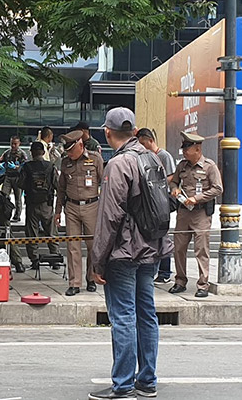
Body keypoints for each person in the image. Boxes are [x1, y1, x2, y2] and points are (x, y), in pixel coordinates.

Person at [89, 107, 160, 400]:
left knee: (123, 317)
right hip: (151, 249)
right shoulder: (151, 157)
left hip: (124, 252)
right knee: (147, 314)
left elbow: (110, 217)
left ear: (107, 132)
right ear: (134, 131)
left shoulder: (118, 164)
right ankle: (147, 381)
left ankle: (123, 385)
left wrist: (98, 261)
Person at [168, 132, 222, 298]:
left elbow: (218, 188)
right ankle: (180, 281)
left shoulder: (209, 166)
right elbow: (174, 181)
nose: (184, 151)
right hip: (183, 213)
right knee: (178, 249)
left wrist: (197, 198)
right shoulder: (182, 166)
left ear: (197, 149)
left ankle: (203, 284)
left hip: (201, 214)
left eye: (187, 148)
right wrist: (174, 190)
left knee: (201, 250)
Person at [56, 130, 103, 296]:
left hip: (92, 206)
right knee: (72, 246)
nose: (68, 153)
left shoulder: (95, 159)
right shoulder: (65, 163)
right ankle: (74, 283)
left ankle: (91, 278)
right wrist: (58, 211)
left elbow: (105, 185)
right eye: (67, 150)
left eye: (71, 150)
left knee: (92, 245)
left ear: (81, 145)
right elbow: (61, 189)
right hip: (72, 207)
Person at [136, 128, 177, 284]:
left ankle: (165, 272)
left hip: (161, 200)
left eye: (143, 143)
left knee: (163, 235)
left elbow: (172, 176)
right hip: (150, 201)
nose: (142, 146)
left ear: (150, 140)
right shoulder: (143, 157)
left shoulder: (163, 156)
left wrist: (154, 185)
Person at [19, 141, 60, 268]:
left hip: (32, 204)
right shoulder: (50, 166)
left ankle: (35, 260)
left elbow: (20, 183)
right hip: (47, 204)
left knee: (32, 234)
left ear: (31, 153)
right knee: (51, 232)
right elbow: (57, 185)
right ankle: (55, 258)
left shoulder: (27, 167)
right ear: (43, 152)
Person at [0, 136, 28, 222]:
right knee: (4, 195)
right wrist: (0, 165)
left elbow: (25, 166)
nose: (13, 145)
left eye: (15, 144)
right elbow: (0, 161)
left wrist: (16, 167)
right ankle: (4, 213)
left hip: (17, 177)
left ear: (19, 144)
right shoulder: (7, 153)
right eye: (12, 143)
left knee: (18, 198)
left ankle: (17, 215)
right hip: (8, 176)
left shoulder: (22, 154)